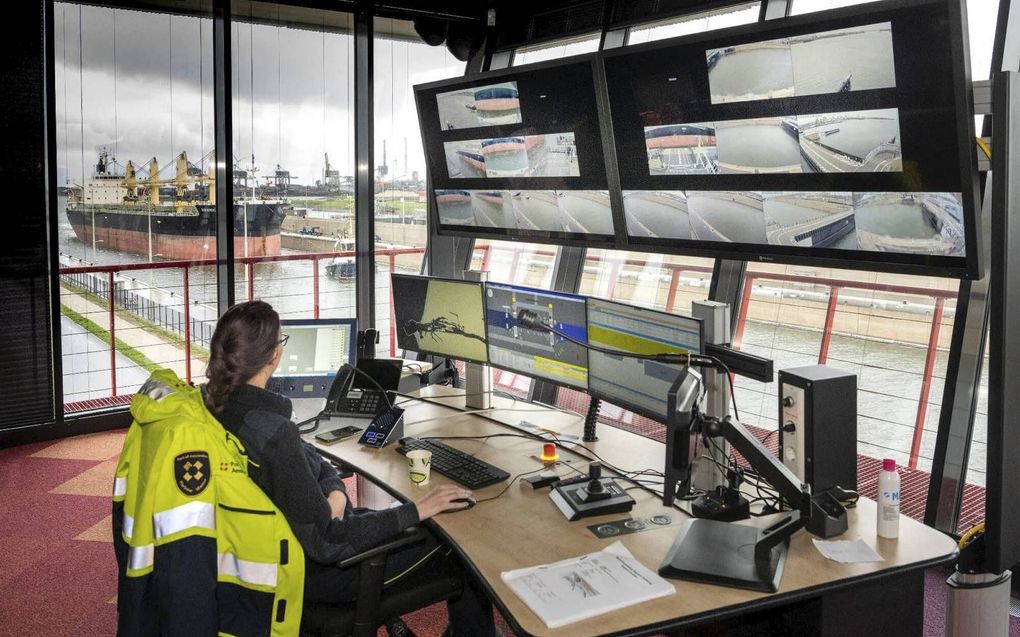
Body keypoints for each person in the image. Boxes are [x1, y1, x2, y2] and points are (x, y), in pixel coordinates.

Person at [203, 300, 497, 637]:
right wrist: (416, 510)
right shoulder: (274, 432)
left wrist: (337, 494)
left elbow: (319, 467)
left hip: (288, 555)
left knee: (415, 516)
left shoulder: (224, 410)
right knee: (460, 537)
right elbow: (327, 540)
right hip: (331, 573)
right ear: (273, 356)